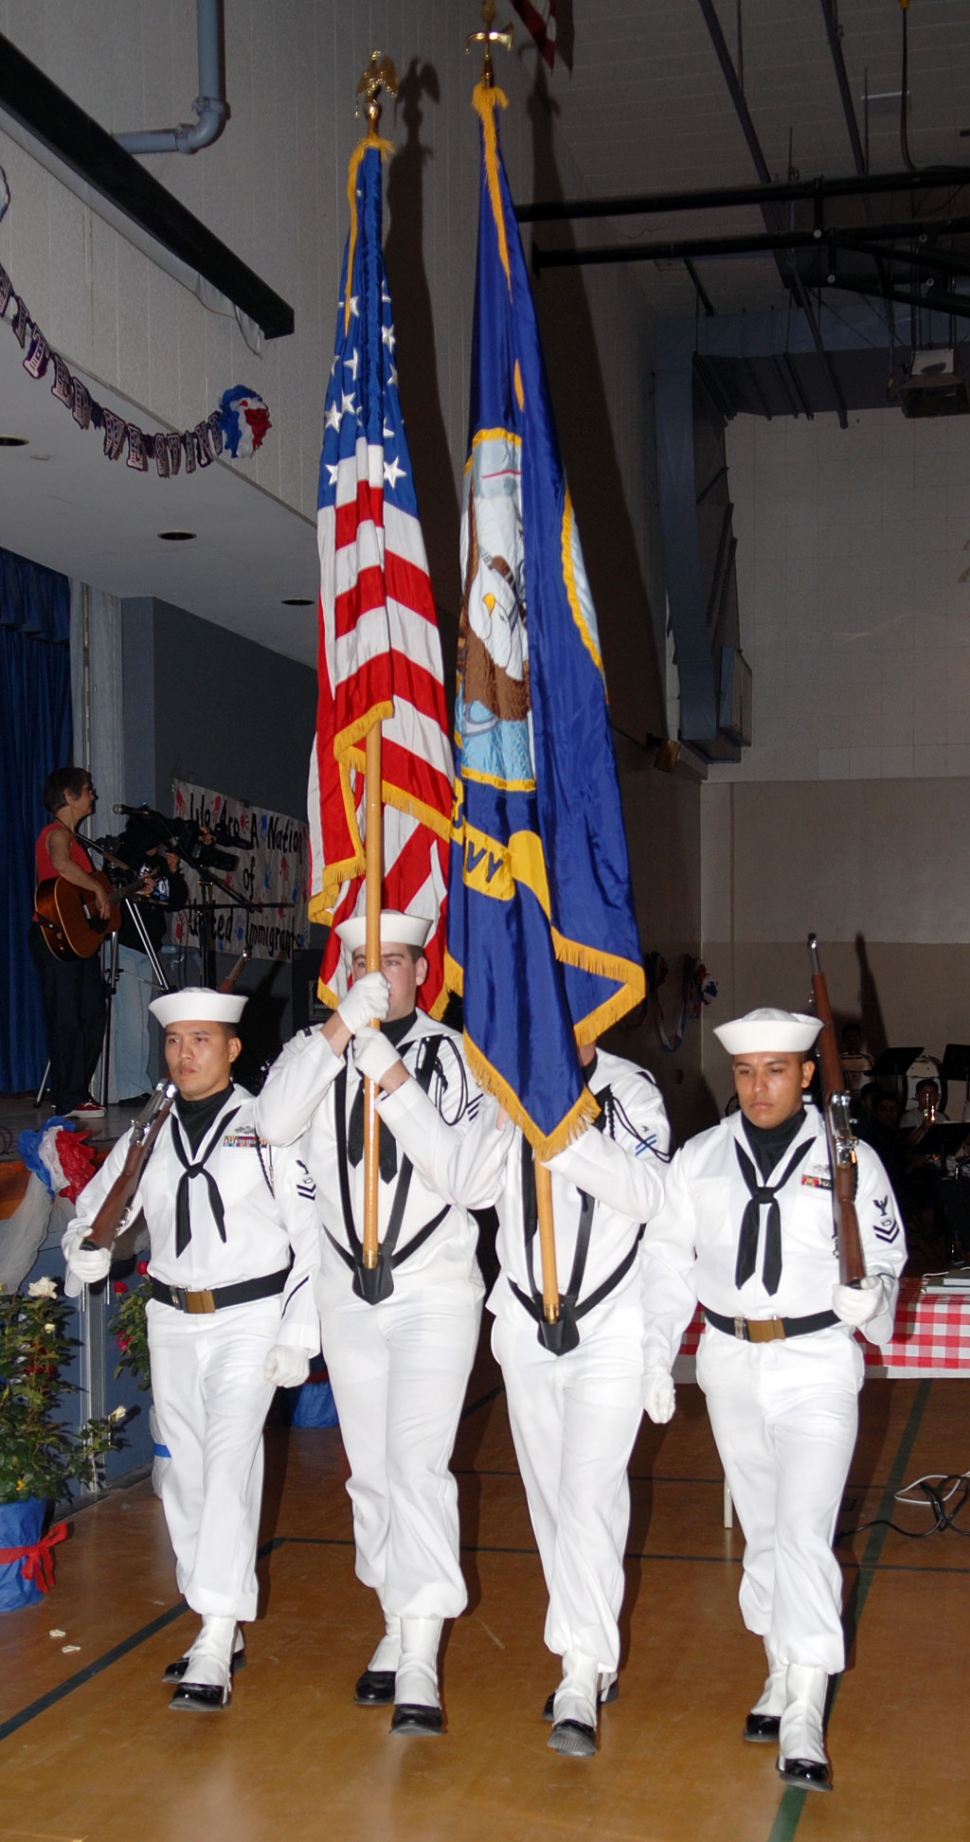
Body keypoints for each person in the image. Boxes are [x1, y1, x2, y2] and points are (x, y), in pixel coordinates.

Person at [372, 1032, 670, 1756]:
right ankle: (588, 1653)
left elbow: (648, 1193)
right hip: (527, 1323)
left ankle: (578, 1672)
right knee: (551, 1503)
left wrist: (563, 1128)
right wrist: (487, 1105)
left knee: (591, 1498)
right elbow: (469, 1185)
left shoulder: (632, 1091)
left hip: (607, 1326)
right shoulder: (505, 1087)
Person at [639, 1008, 906, 1793]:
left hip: (818, 1361)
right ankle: (780, 1672)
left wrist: (875, 1298)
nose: (759, 1087)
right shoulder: (699, 1159)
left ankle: (805, 1712)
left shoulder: (848, 1157)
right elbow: (665, 1261)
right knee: (762, 1535)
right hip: (729, 1361)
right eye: (747, 1072)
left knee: (802, 1534)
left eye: (777, 1071)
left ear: (808, 1074)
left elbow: (886, 1249)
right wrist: (659, 1355)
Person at [255, 912, 504, 1737]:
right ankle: (395, 1622)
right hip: (345, 1291)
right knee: (369, 1476)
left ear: (420, 973)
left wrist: (390, 1075)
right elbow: (272, 1123)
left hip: (431, 1289)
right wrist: (337, 1032)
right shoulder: (319, 1050)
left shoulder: (459, 1058)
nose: (379, 975)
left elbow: (466, 1177)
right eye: (364, 961)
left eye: (393, 962)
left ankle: (422, 1651)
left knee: (417, 1468)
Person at [63, 988, 321, 1712]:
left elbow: (312, 1235)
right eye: (175, 1042)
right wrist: (85, 1251)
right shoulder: (151, 1127)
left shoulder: (269, 1125)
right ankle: (217, 1612)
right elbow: (100, 1211)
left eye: (201, 1040)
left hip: (250, 1315)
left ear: (233, 1049)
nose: (185, 1054)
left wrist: (300, 1329)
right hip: (172, 1320)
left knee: (231, 1459)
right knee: (181, 1476)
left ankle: (213, 1635)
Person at [29, 766, 111, 1117]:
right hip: (53, 935)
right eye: (88, 789)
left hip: (77, 939)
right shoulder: (56, 834)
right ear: (69, 796)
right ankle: (69, 1097)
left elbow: (84, 896)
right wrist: (96, 886)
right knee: (66, 1016)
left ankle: (75, 1092)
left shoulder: (79, 842)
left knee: (93, 1011)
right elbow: (61, 866)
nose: (93, 795)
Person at [110, 815, 188, 1103]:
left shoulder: (161, 864)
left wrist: (173, 870)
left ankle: (136, 1084)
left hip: (149, 947)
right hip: (127, 944)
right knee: (130, 1018)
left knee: (140, 1020)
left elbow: (176, 900)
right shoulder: (126, 855)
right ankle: (131, 1088)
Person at [839, 1022, 873, 1096]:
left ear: (860, 1038)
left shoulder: (868, 1058)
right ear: (843, 1040)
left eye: (855, 1037)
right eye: (848, 1037)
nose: (852, 1040)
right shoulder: (838, 1060)